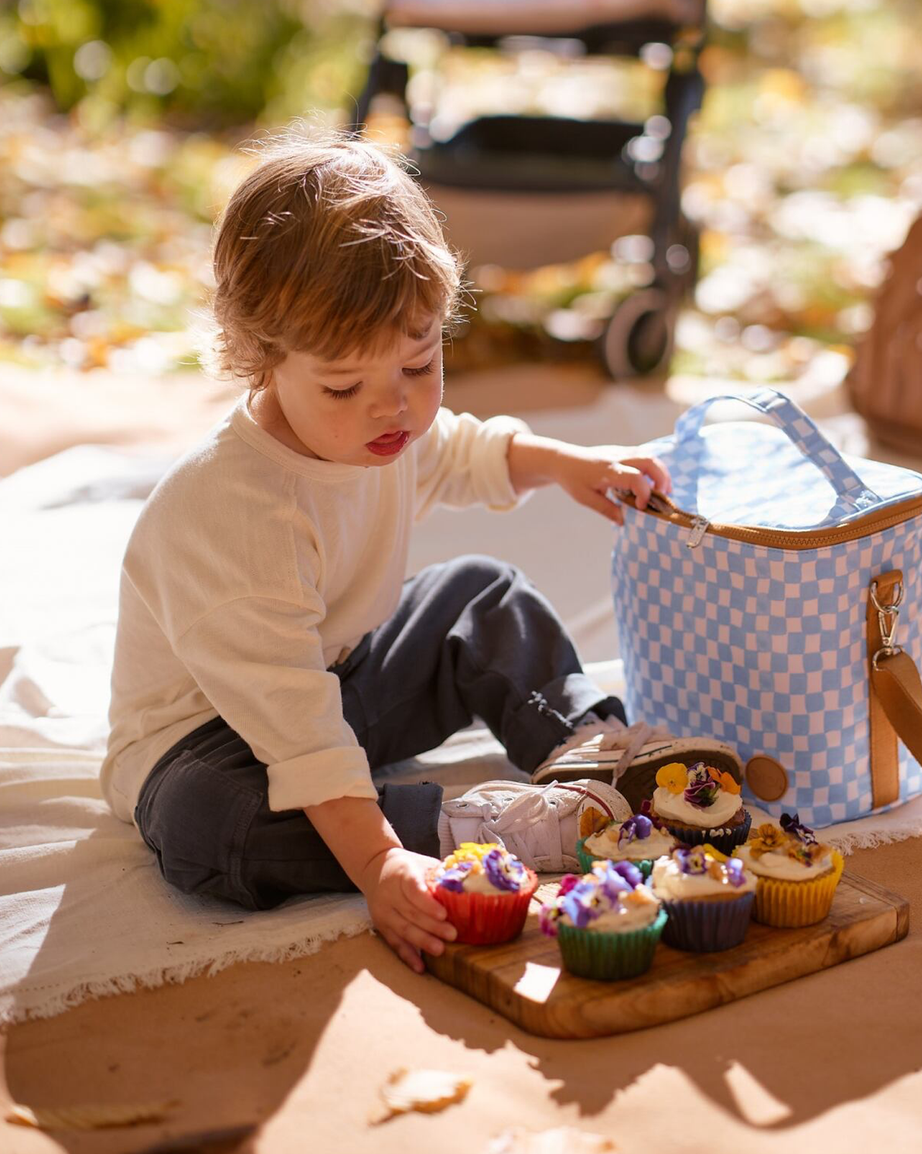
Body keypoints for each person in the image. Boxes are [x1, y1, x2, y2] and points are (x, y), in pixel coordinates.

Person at [100, 126, 742, 974]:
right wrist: (376, 862)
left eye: (419, 362)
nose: (392, 409)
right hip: (207, 744)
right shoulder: (233, 517)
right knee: (210, 828)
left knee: (480, 590)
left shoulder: (386, 432)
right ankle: (452, 826)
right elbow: (294, 729)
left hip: (334, 679)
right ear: (262, 360)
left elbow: (460, 450)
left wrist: (563, 465)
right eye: (343, 386)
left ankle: (595, 755)